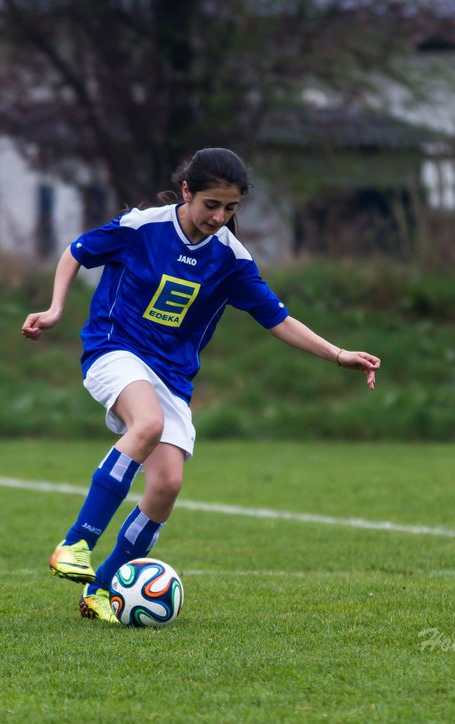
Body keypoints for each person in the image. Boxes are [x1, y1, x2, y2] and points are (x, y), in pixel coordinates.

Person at [21, 147, 379, 623]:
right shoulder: (142, 227)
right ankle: (75, 543)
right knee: (145, 424)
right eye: (211, 204)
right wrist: (56, 309)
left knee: (167, 485)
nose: (219, 216)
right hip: (114, 348)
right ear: (187, 191)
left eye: (230, 208)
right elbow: (76, 252)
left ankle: (101, 590)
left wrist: (338, 354)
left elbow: (277, 318)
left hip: (170, 376)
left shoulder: (230, 259)